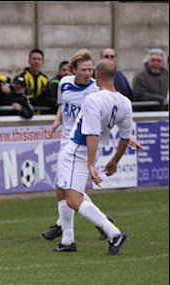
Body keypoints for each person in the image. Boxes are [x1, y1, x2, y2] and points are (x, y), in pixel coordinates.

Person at [53, 59, 134, 255]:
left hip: (78, 150)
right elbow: (125, 137)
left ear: (97, 74)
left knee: (72, 198)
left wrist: (90, 164)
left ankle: (113, 232)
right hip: (90, 151)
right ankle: (67, 240)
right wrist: (115, 160)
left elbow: (92, 133)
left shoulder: (94, 99)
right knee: (61, 188)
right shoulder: (125, 102)